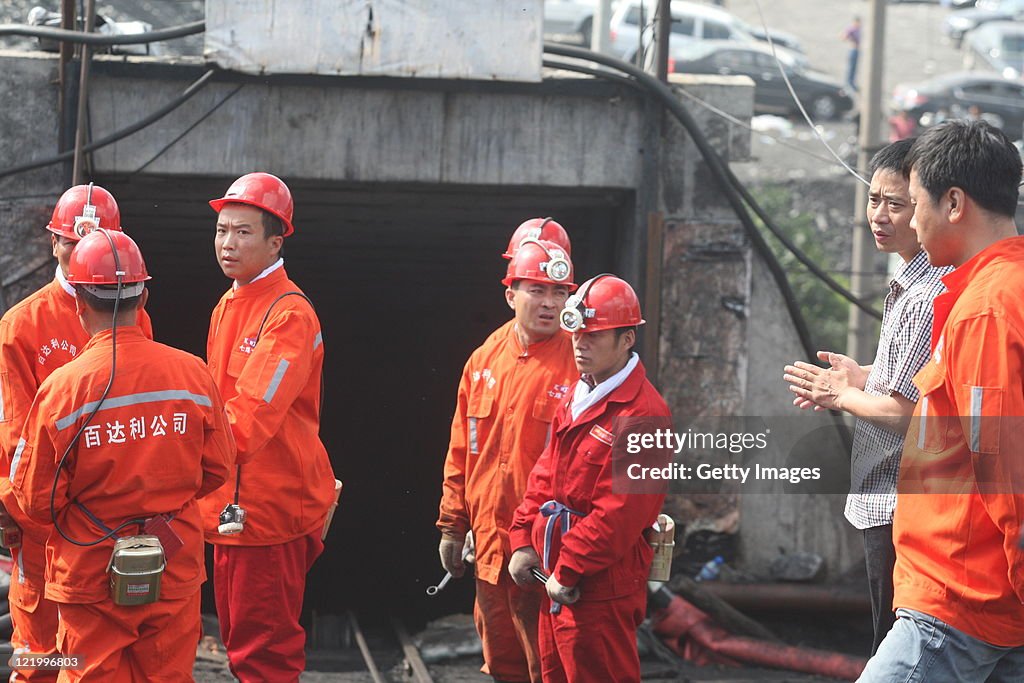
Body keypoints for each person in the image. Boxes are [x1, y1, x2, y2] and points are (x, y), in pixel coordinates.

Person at [9, 229, 235, 680]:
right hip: (171, 563)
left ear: (78, 304)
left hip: (90, 577)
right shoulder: (193, 375)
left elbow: (36, 500)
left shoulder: (60, 391)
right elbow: (218, 469)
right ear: (143, 298)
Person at [858, 120, 1024, 680]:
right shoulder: (1000, 288)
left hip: (959, 603)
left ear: (953, 203)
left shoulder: (986, 309)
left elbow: (1003, 465)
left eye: (914, 201)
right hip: (982, 602)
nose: (909, 220)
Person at [783, 139, 951, 655]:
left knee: (902, 648)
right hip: (889, 498)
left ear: (930, 205)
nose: (879, 215)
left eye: (896, 203)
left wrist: (841, 394)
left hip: (899, 501)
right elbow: (914, 379)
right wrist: (864, 377)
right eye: (873, 199)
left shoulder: (928, 293)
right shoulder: (913, 279)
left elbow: (906, 413)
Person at [0, 184, 153, 682]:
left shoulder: (133, 314)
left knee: (101, 658)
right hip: (47, 521)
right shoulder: (21, 326)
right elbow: (16, 436)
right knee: (44, 655)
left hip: (107, 522)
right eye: (71, 240)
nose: (80, 250)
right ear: (54, 243)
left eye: (94, 238)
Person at [199, 172, 337, 682]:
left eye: (242, 232)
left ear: (276, 240)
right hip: (237, 511)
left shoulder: (288, 314)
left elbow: (249, 417)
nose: (227, 244)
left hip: (268, 511)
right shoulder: (229, 304)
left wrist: (176, 464)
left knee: (263, 653)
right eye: (221, 231)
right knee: (243, 643)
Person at [508, 275, 671, 683]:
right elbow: (545, 475)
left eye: (594, 335)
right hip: (557, 574)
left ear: (627, 339)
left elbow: (620, 515)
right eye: (576, 332)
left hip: (599, 586)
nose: (580, 343)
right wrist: (522, 540)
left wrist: (569, 567)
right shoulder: (581, 394)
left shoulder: (644, 415)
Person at [437, 227, 577, 683]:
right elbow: (463, 450)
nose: (550, 303)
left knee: (550, 668)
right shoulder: (483, 360)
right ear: (511, 293)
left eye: (559, 293)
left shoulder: (581, 362)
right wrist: (453, 525)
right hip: (490, 548)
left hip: (546, 552)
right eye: (537, 290)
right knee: (503, 663)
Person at [842, 16, 861, 92]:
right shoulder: (852, 29)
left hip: (857, 50)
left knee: (854, 68)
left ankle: (851, 82)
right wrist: (851, 40)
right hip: (853, 49)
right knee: (851, 67)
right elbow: (844, 36)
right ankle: (848, 83)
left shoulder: (858, 29)